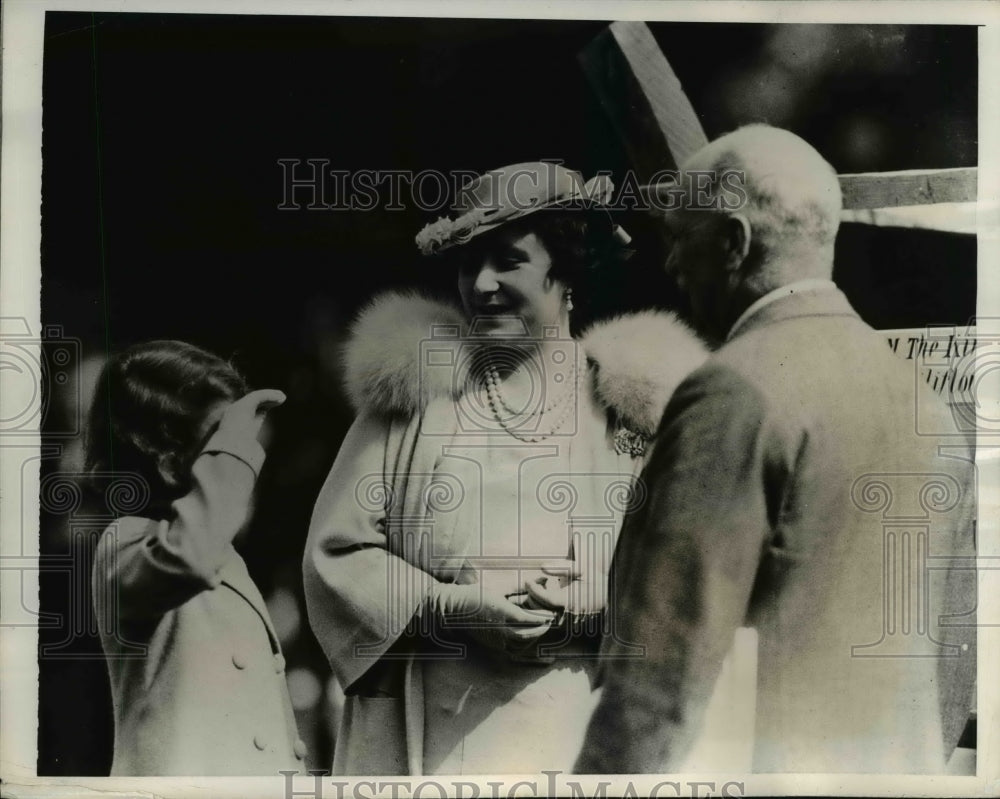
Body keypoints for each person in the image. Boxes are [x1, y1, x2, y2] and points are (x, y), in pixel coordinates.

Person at [574, 124, 977, 774]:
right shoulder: (924, 399)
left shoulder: (731, 389)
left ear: (733, 242)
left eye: (681, 240)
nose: (672, 265)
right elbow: (956, 659)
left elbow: (660, 677)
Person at [302, 162, 715, 775]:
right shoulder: (419, 399)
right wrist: (450, 607)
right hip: (439, 740)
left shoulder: (633, 404)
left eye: (508, 260)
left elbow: (693, 575)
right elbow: (335, 554)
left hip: (585, 728)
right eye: (470, 264)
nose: (483, 284)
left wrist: (595, 606)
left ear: (567, 272)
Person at [87, 340, 307, 775]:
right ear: (170, 465)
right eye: (223, 446)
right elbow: (190, 556)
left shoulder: (225, 558)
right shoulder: (128, 542)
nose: (248, 463)